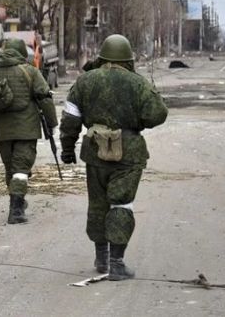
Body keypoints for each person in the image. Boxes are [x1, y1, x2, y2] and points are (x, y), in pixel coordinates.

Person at [59, 34, 168, 280]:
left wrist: (67, 149)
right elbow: (158, 114)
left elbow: (70, 119)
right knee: (121, 203)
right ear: (128, 58)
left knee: (98, 203)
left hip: (95, 152)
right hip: (128, 153)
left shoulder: (85, 81)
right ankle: (117, 263)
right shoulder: (137, 83)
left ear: (102, 56)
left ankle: (101, 257)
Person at [0, 38, 57, 224]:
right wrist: (52, 124)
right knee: (21, 169)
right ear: (22, 52)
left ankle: (17, 202)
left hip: (3, 131)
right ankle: (16, 211)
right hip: (27, 130)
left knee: (10, 168)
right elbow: (45, 98)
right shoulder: (30, 72)